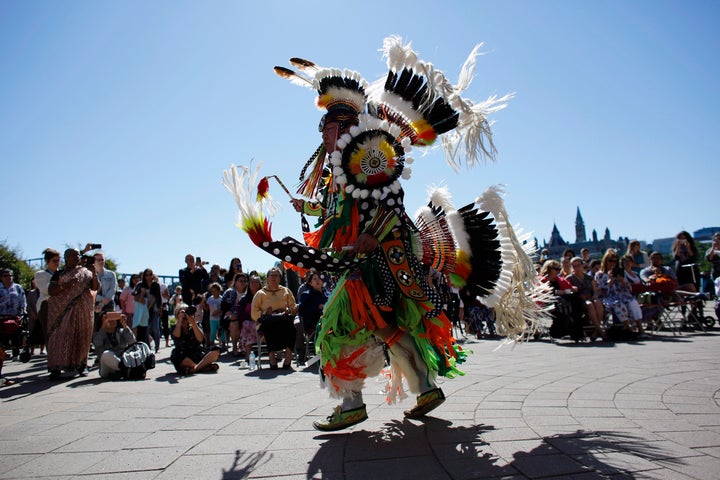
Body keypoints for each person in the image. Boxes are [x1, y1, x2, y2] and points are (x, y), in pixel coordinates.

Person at [225, 37, 545, 431]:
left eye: (327, 125)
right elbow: (338, 210)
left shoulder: (369, 156)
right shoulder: (339, 169)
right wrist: (307, 207)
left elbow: (390, 204)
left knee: (335, 328)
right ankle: (424, 387)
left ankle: (351, 404)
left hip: (375, 262)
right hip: (365, 261)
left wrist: (372, 237)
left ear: (344, 126)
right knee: (388, 329)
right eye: (323, 125)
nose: (322, 132)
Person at [46, 248, 99, 379]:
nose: (75, 258)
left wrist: (94, 273)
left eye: (77, 255)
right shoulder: (59, 273)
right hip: (63, 312)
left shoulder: (85, 272)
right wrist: (65, 285)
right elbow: (51, 290)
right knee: (60, 336)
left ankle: (82, 365)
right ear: (66, 257)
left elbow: (95, 287)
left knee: (82, 336)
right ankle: (56, 367)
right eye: (72, 255)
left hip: (83, 310)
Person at [251, 268, 297, 370]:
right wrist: (264, 313)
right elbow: (254, 313)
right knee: (268, 324)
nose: (274, 278)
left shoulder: (286, 291)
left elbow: (294, 307)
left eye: (276, 276)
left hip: (283, 319)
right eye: (271, 275)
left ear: (280, 279)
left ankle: (288, 355)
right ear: (267, 278)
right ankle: (271, 356)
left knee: (290, 325)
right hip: (268, 320)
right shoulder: (260, 293)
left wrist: (288, 310)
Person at [595, 251, 643, 334]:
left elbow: (629, 288)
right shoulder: (600, 274)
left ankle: (640, 328)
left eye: (615, 261)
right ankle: (629, 329)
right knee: (618, 304)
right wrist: (610, 281)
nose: (612, 263)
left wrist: (622, 281)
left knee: (633, 302)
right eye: (610, 261)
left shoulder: (621, 272)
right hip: (609, 298)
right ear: (605, 261)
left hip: (622, 295)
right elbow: (600, 290)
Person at [170, 306, 219, 375]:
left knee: (216, 351)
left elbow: (200, 339)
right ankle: (202, 367)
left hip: (197, 353)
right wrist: (180, 321)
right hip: (183, 355)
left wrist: (193, 323)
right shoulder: (175, 327)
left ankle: (195, 369)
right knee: (177, 356)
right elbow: (176, 336)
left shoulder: (196, 324)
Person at [565, 257, 605, 340]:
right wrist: (572, 290)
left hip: (591, 298)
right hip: (579, 302)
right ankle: (600, 331)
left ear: (582, 265)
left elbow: (595, 291)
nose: (576, 268)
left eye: (578, 265)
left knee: (598, 302)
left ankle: (596, 331)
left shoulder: (589, 278)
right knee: (590, 304)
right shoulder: (569, 279)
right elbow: (566, 291)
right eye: (574, 266)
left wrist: (595, 295)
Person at [92, 312, 137, 379]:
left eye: (114, 319)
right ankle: (126, 369)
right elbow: (97, 344)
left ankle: (123, 370)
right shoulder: (100, 334)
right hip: (107, 368)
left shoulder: (121, 331)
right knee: (106, 354)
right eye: (109, 319)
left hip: (122, 360)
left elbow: (132, 341)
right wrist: (103, 326)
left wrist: (124, 324)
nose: (112, 321)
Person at [296, 271, 327, 364]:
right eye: (315, 279)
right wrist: (317, 306)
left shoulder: (328, 294)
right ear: (310, 283)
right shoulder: (306, 295)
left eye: (319, 278)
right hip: (314, 323)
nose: (318, 281)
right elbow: (301, 310)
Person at [33, 248, 61, 345]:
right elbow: (47, 290)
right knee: (50, 336)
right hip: (46, 307)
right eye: (54, 261)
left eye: (58, 260)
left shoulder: (62, 273)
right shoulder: (40, 274)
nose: (57, 263)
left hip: (61, 307)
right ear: (47, 261)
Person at [92, 252, 117, 333]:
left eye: (102, 260)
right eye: (98, 260)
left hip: (108, 303)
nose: (101, 262)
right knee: (95, 326)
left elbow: (112, 289)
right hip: (95, 303)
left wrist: (102, 303)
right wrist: (100, 299)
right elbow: (90, 291)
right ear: (94, 262)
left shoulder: (111, 274)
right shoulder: (90, 275)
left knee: (109, 326)